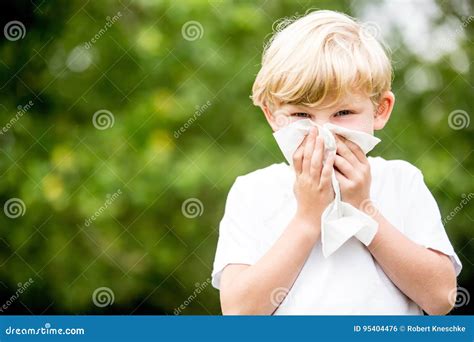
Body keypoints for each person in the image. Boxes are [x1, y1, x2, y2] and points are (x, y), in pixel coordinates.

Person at [211, 9, 462, 315]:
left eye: (343, 113)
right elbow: (239, 313)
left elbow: (442, 298)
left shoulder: (401, 181)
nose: (323, 133)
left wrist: (363, 210)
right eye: (301, 115)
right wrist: (307, 217)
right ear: (272, 115)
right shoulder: (253, 191)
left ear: (380, 110)